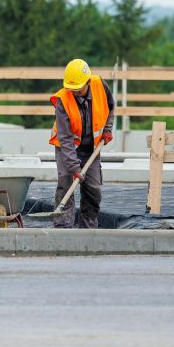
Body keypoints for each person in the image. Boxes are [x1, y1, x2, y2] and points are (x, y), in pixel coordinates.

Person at [48, 59, 115, 229]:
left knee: (93, 189)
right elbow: (65, 138)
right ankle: (63, 228)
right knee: (66, 184)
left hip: (91, 147)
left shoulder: (100, 86)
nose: (75, 92)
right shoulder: (62, 99)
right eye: (72, 89)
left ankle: (88, 227)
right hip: (67, 149)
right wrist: (74, 167)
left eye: (78, 89)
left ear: (88, 81)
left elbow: (111, 107)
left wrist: (107, 129)